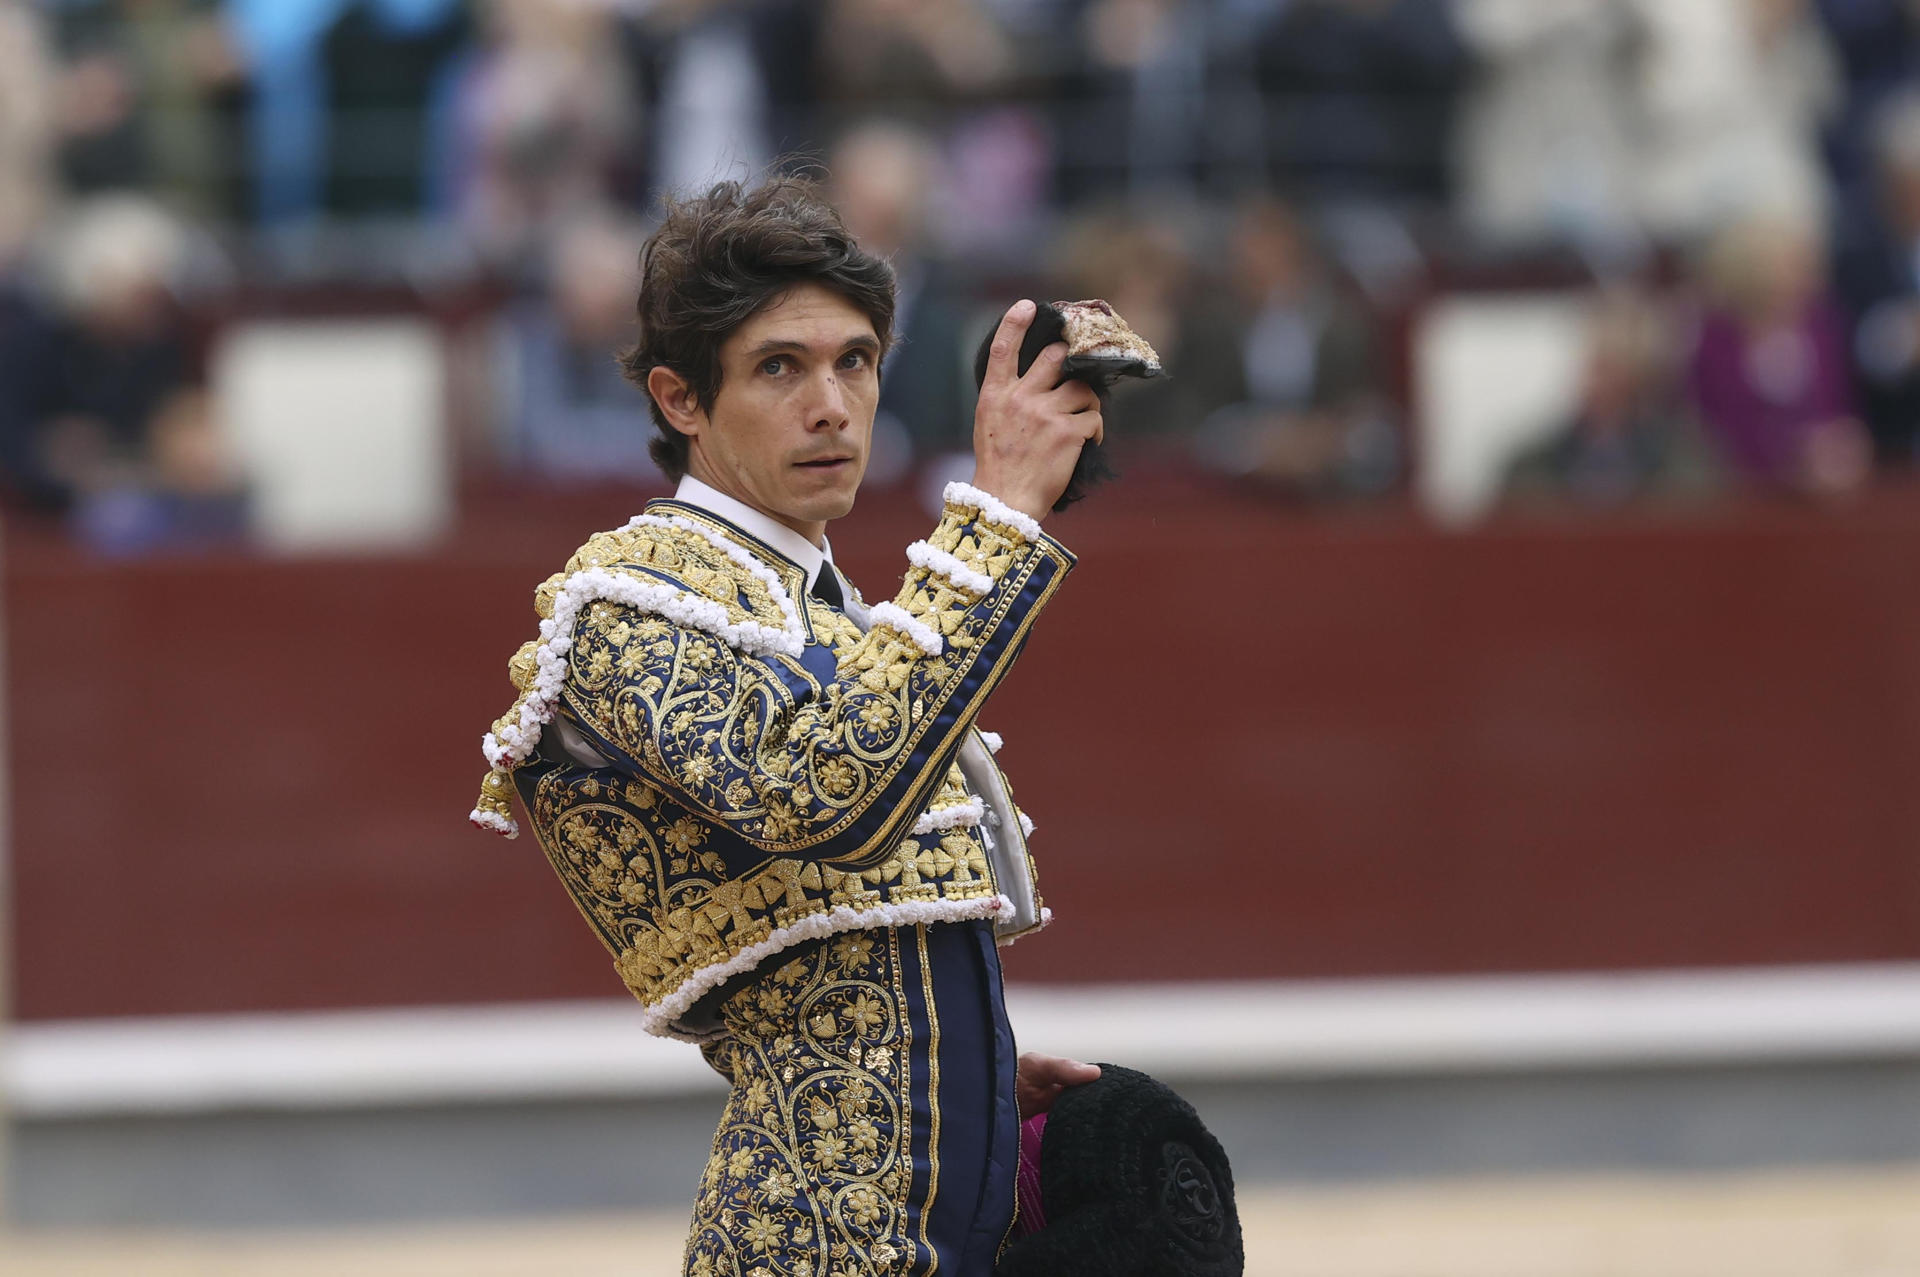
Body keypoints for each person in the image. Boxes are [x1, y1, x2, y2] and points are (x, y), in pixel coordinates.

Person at [468, 174, 1101, 1275]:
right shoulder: (621, 601)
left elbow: (835, 948)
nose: (833, 405)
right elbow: (816, 798)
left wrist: (968, 1073)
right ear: (680, 399)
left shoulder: (835, 617)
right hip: (817, 1238)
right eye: (779, 367)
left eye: (854, 361)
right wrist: (996, 519)